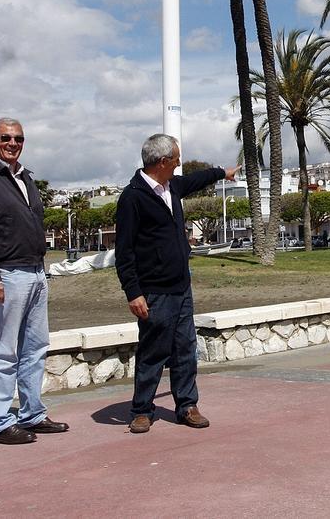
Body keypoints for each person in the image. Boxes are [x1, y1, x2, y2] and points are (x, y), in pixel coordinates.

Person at [115, 133, 236, 434]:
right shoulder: (133, 197)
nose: (179, 163)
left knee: (185, 349)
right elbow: (124, 252)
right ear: (162, 161)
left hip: (182, 288)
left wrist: (223, 172)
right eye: (176, 159)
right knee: (153, 352)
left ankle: (187, 406)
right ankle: (142, 410)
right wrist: (133, 293)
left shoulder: (173, 188)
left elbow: (197, 179)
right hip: (154, 292)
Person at [0, 117, 68, 445]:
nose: (12, 143)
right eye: (6, 138)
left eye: (18, 138)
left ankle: (32, 413)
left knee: (36, 348)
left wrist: (43, 268)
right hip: (7, 276)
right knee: (4, 349)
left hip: (36, 272)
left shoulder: (24, 177)